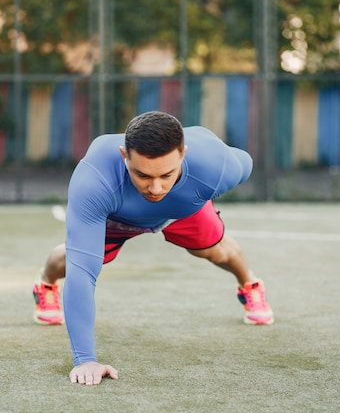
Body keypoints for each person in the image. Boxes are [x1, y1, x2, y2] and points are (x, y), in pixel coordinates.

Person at [32, 111, 273, 386]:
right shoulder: (94, 180)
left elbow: (247, 162)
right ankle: (45, 285)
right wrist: (85, 360)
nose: (156, 188)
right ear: (125, 155)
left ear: (184, 154)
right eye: (142, 174)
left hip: (180, 211)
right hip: (117, 216)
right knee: (73, 259)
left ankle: (250, 284)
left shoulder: (216, 166)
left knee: (216, 249)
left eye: (167, 174)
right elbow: (83, 272)